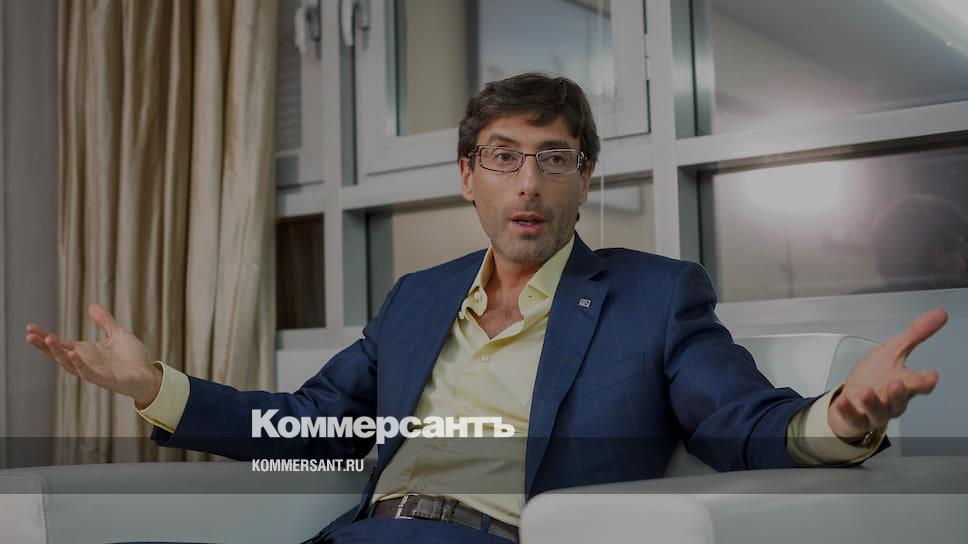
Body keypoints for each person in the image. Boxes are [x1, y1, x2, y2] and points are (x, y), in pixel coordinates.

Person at [26, 73, 944, 544]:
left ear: (585, 178)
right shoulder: (417, 299)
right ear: (468, 176)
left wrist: (843, 416)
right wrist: (154, 387)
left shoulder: (656, 295)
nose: (528, 183)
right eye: (504, 157)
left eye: (554, 159)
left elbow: (741, 422)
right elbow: (308, 424)